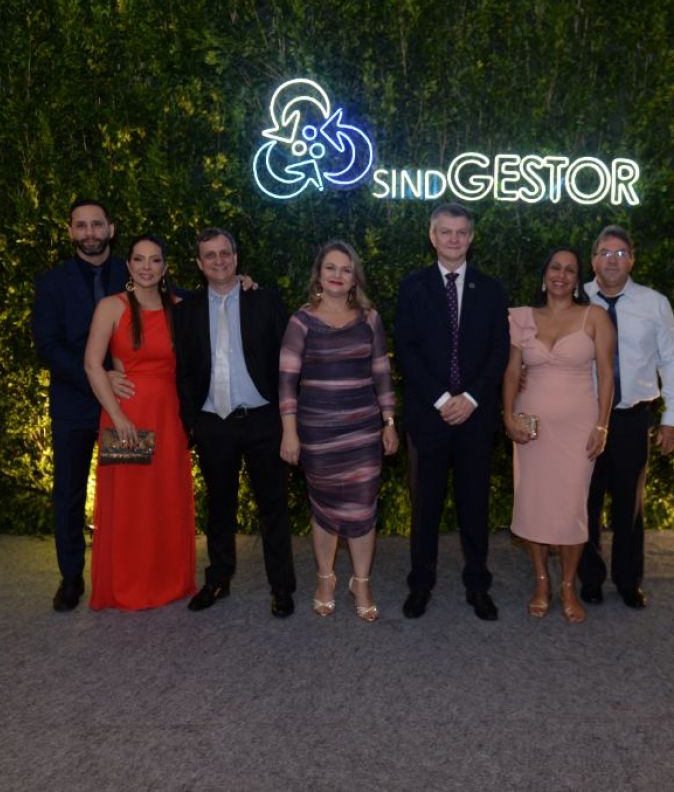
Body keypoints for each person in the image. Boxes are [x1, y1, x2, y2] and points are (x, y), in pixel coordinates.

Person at [394, 203, 509, 621]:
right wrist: (443, 400)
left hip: (476, 418)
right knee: (425, 507)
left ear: (471, 237)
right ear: (432, 236)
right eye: (446, 232)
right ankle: (420, 585)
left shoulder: (491, 289)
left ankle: (478, 585)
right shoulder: (413, 287)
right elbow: (406, 349)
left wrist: (471, 398)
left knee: (474, 507)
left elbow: (499, 350)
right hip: (430, 417)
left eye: (461, 232)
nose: (454, 239)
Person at [173, 227, 296, 617]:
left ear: (236, 258)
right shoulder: (186, 311)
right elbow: (185, 371)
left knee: (273, 508)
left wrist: (289, 419)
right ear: (199, 264)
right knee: (219, 508)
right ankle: (218, 579)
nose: (219, 260)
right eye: (209, 255)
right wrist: (193, 422)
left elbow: (289, 364)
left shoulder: (265, 301)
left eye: (225, 253)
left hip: (263, 420)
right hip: (214, 424)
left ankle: (282, 587)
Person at [279, 240, 398, 622]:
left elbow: (382, 373)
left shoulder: (370, 320)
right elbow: (287, 382)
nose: (337, 275)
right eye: (330, 267)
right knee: (325, 507)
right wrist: (289, 433)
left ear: (354, 278)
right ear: (319, 274)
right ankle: (325, 578)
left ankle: (361, 582)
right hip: (317, 432)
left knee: (363, 506)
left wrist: (389, 421)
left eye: (346, 269)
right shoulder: (301, 321)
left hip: (363, 431)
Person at [84, 235, 196, 609]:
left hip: (170, 419)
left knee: (166, 498)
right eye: (139, 259)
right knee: (129, 503)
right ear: (129, 265)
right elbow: (92, 364)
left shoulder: (181, 308)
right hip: (126, 417)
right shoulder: (110, 307)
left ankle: (168, 581)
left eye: (155, 260)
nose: (147, 267)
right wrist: (117, 417)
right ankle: (128, 585)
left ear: (165, 267)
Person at [579, 224, 674, 609]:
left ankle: (628, 580)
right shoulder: (576, 299)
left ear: (632, 260)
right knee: (585, 502)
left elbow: (670, 360)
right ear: (593, 260)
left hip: (631, 418)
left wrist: (673, 416)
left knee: (630, 504)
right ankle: (589, 578)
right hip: (584, 418)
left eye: (621, 253)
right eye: (605, 253)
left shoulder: (654, 303)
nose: (613, 260)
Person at [502, 248, 614, 623]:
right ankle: (541, 582)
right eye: (555, 267)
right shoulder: (521, 318)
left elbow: (607, 376)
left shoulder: (595, 317)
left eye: (569, 270)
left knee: (571, 508)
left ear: (577, 279)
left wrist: (602, 425)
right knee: (533, 503)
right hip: (531, 428)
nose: (561, 275)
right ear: (544, 274)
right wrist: (507, 416)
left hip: (578, 429)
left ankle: (567, 586)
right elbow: (511, 372)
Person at [33, 199, 133, 611]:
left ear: (111, 229)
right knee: (70, 493)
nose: (89, 232)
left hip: (124, 405)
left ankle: (126, 570)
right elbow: (48, 346)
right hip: (74, 404)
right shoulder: (51, 283)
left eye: (97, 224)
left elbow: (176, 303)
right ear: (70, 231)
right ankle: (71, 577)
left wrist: (235, 284)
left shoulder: (135, 272)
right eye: (81, 225)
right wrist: (96, 377)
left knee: (127, 490)